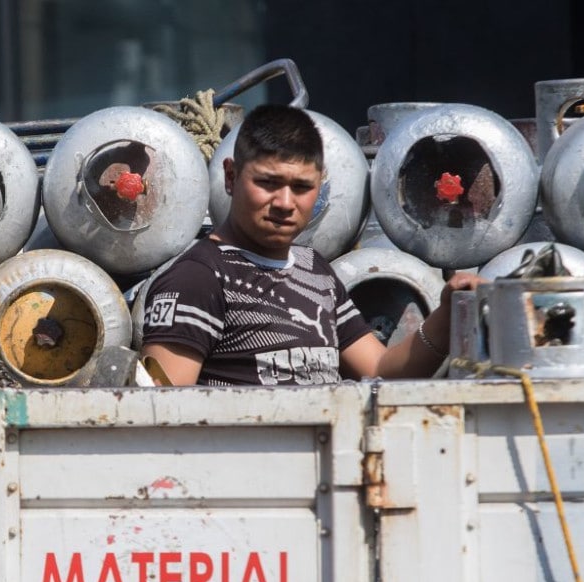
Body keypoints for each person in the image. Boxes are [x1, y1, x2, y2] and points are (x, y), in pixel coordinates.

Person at [139, 103, 482, 386]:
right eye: (268, 182)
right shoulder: (196, 280)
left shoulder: (313, 269)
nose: (285, 203)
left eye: (301, 187)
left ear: (320, 186)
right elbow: (169, 420)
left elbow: (380, 371)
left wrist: (448, 315)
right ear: (231, 177)